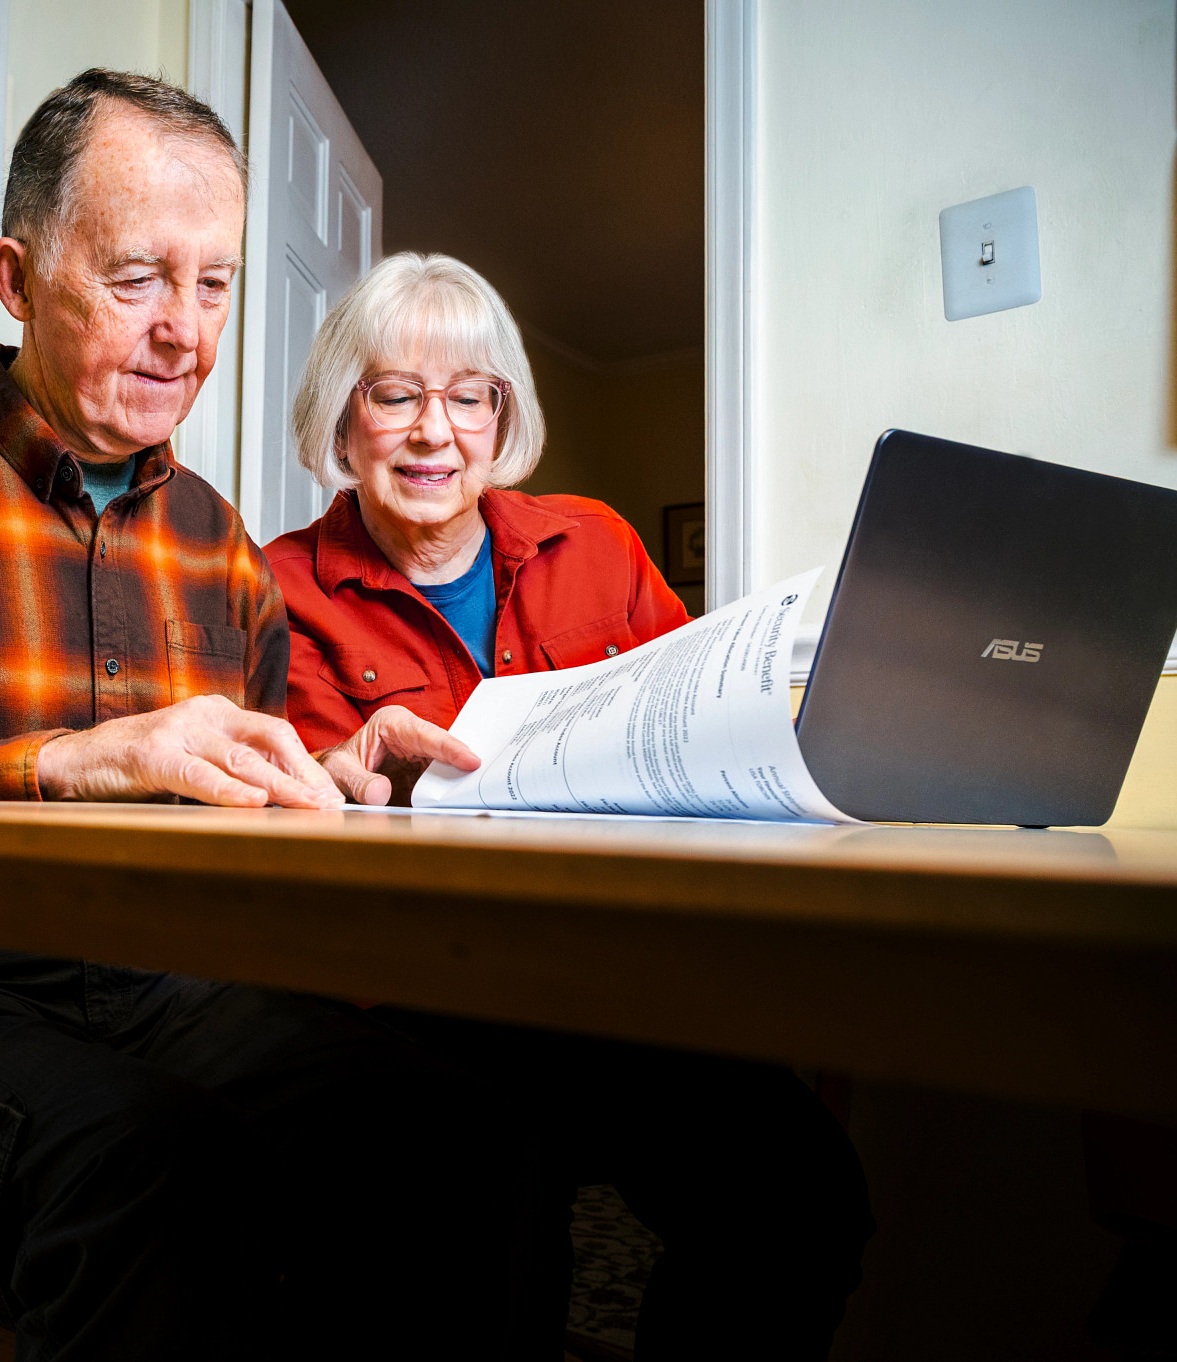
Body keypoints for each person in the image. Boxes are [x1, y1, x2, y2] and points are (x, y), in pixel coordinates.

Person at [0, 74, 545, 1361]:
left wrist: (326, 777)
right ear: (18, 278)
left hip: (170, 993)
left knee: (467, 1148)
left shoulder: (220, 549)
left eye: (214, 286)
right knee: (164, 1177)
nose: (185, 334)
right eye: (139, 277)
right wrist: (57, 767)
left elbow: (232, 835)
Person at [265, 252, 877, 1358]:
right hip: (413, 994)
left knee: (800, 1199)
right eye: (393, 394)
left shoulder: (592, 542)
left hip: (606, 974)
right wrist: (341, 771)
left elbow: (680, 728)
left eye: (467, 396)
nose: (431, 431)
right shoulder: (275, 587)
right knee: (491, 1216)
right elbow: (283, 813)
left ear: (502, 419)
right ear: (340, 424)